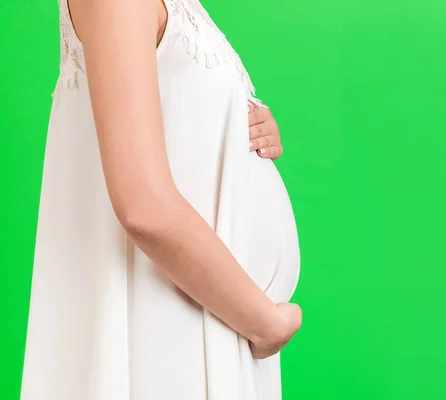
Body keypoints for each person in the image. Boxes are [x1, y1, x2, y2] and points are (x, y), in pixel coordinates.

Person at [20, 0, 301, 399]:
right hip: (178, 325)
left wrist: (237, 123)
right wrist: (264, 322)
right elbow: (143, 205)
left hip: (209, 320)